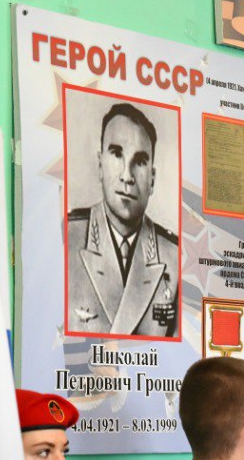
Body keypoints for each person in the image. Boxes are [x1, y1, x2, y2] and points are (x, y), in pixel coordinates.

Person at [67, 101, 179, 338]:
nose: (127, 176)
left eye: (139, 161)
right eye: (117, 154)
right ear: (100, 165)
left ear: (153, 179)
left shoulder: (175, 258)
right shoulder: (67, 239)